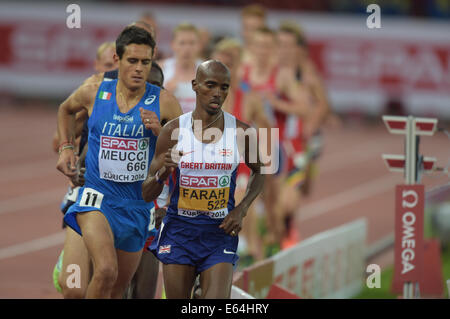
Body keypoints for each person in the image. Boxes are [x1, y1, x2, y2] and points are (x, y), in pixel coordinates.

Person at [56, 25, 182, 299]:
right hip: (97, 198)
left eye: (145, 62)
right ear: (118, 60)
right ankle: (71, 266)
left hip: (137, 206)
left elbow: (183, 153)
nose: (138, 68)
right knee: (105, 271)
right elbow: (65, 109)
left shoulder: (165, 102)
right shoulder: (95, 90)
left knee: (116, 290)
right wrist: (66, 148)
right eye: (132, 61)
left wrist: (160, 133)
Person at [142, 60, 265, 298]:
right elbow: (146, 192)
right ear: (195, 85)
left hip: (219, 232)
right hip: (180, 231)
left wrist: (241, 209)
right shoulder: (173, 131)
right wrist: (163, 173)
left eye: (224, 87)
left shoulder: (241, 132)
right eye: (211, 85)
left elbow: (260, 171)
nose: (218, 93)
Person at [52, 41, 118, 298]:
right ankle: (70, 260)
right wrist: (68, 148)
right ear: (98, 67)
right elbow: (57, 139)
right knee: (75, 287)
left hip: (127, 200)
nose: (115, 71)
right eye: (109, 66)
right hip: (86, 191)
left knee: (109, 280)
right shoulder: (92, 92)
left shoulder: (147, 97)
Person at [159, 23, 203, 113]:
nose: (187, 48)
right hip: (169, 126)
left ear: (199, 45)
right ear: (173, 45)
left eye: (192, 43)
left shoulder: (208, 71)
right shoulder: (161, 69)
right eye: (182, 43)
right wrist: (164, 95)